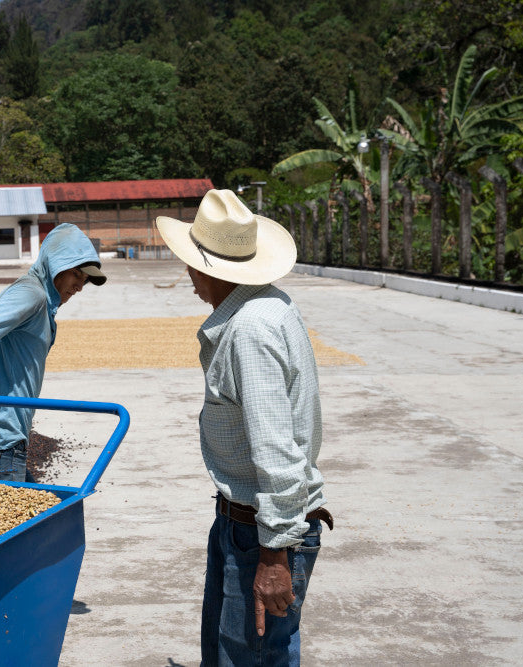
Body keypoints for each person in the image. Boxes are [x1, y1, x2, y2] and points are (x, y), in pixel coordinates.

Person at [156, 189, 332, 666]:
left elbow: (276, 449)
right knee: (236, 650)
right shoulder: (269, 305)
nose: (188, 274)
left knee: (250, 655)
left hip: (262, 531)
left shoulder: (249, 331)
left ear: (203, 267)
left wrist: (274, 556)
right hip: (244, 521)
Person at [0, 223, 106, 482]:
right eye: (76, 275)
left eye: (84, 280)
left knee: (37, 511)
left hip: (0, 437)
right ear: (56, 265)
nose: (79, 286)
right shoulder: (31, 294)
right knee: (11, 520)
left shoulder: (43, 304)